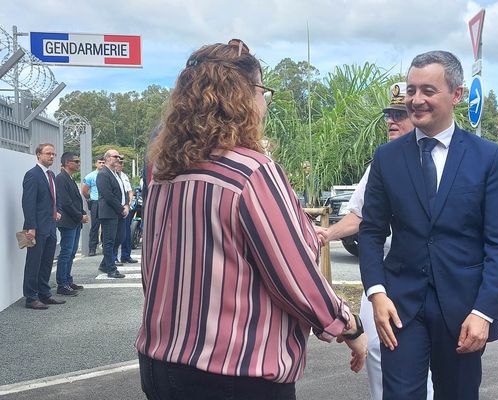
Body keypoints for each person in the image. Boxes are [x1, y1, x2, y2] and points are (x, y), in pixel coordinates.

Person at [136, 39, 367, 400]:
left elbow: (153, 269)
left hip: (159, 363)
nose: (264, 103)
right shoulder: (251, 173)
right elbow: (293, 275)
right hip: (233, 373)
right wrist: (349, 326)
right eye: (263, 91)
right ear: (242, 97)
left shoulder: (166, 174)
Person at [359, 50, 498, 400]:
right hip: (401, 309)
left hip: (464, 310)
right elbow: (371, 232)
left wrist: (484, 311)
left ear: (456, 95)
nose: (416, 100)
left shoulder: (487, 157)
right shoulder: (387, 158)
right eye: (411, 90)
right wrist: (376, 293)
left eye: (428, 90)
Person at [321, 82, 432, 400]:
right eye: (389, 114)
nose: (391, 121)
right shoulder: (381, 164)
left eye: (399, 114)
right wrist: (328, 234)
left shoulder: (441, 162)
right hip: (384, 278)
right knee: (378, 354)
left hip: (429, 278)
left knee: (428, 367)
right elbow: (360, 216)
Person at [21, 143, 65, 310]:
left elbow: (56, 197)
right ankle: (31, 298)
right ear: (38, 155)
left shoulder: (51, 175)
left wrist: (58, 210)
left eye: (53, 154)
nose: (52, 156)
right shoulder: (32, 175)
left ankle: (44, 294)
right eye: (48, 153)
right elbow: (28, 203)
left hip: (51, 226)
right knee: (34, 263)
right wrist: (31, 226)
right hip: (37, 228)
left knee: (47, 262)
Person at [55, 152, 88, 296]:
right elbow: (66, 202)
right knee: (66, 252)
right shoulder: (61, 178)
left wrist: (82, 213)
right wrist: (80, 215)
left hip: (74, 221)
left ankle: (67, 280)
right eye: (76, 161)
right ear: (67, 163)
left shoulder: (69, 178)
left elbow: (75, 200)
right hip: (68, 222)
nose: (78, 163)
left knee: (72, 252)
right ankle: (62, 284)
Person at [96, 149, 128, 279]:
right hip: (109, 212)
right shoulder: (103, 174)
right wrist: (121, 208)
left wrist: (126, 205)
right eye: (116, 156)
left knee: (119, 238)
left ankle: (105, 263)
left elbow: (123, 191)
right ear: (108, 158)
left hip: (118, 212)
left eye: (119, 157)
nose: (118, 159)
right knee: (109, 241)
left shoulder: (116, 173)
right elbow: (108, 195)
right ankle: (111, 268)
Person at [113, 159, 138, 264]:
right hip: (115, 209)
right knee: (115, 235)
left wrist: (128, 204)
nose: (120, 165)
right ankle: (113, 258)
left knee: (126, 233)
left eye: (122, 163)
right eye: (118, 162)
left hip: (126, 208)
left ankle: (125, 255)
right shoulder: (111, 175)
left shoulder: (124, 176)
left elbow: (129, 191)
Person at [82, 155, 106, 256]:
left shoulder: (107, 175)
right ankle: (92, 248)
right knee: (95, 227)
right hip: (95, 203)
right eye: (99, 162)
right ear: (96, 164)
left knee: (106, 226)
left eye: (103, 162)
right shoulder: (90, 176)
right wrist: (90, 199)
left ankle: (105, 246)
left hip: (105, 204)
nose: (101, 164)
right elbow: (84, 191)